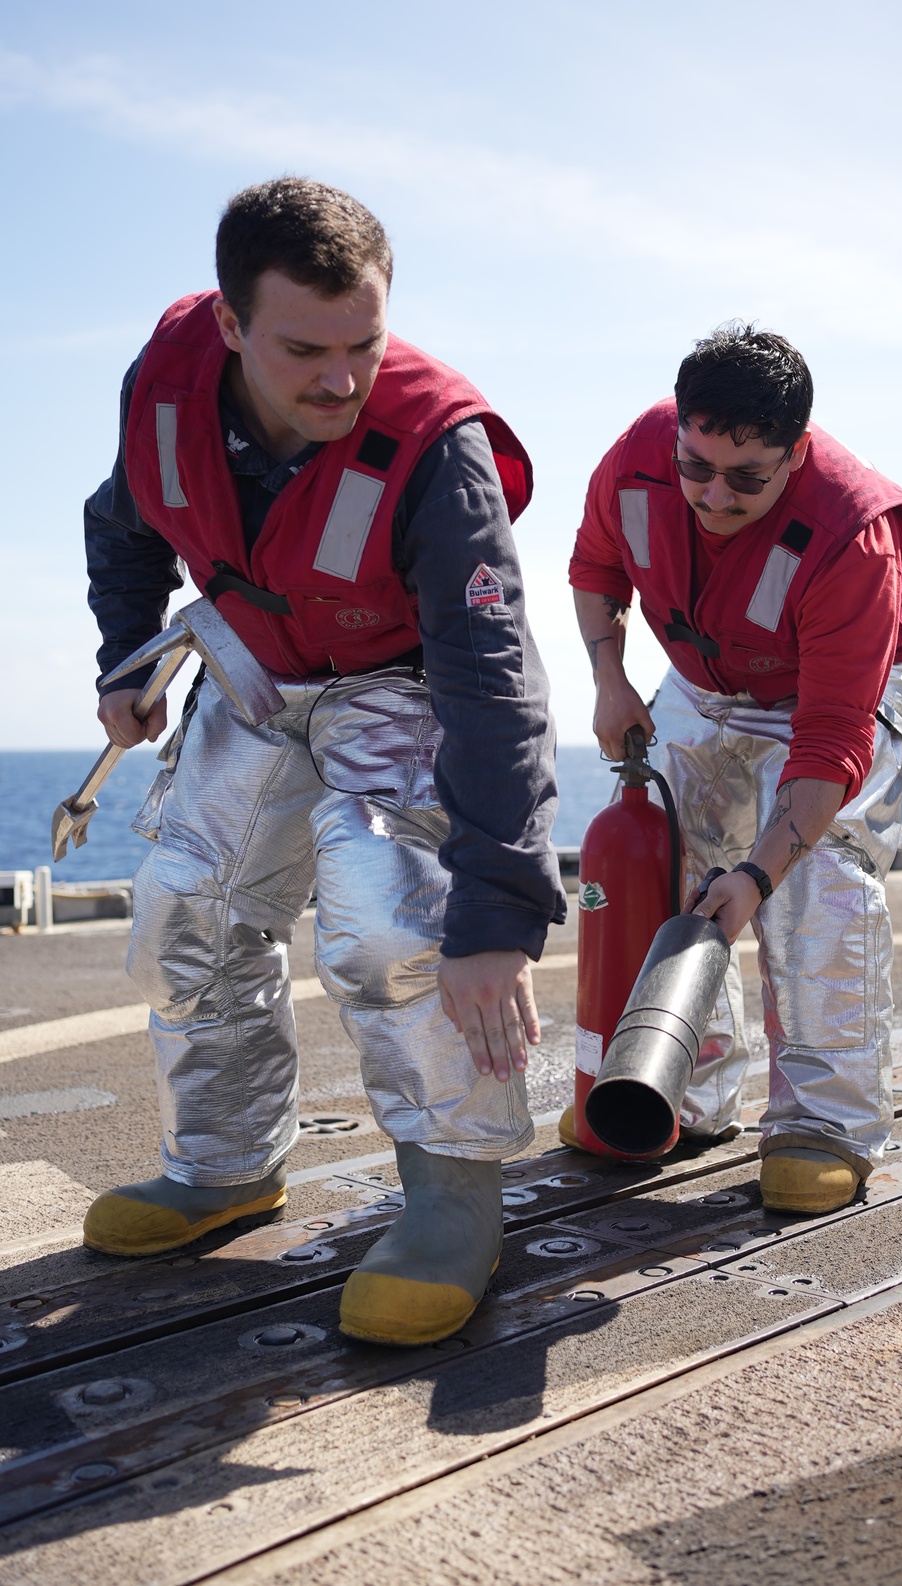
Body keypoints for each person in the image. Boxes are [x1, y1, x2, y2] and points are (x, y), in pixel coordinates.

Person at [82, 177, 565, 1345]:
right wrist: (121, 655)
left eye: (366, 342)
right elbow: (125, 518)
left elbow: (493, 680)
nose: (341, 379)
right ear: (232, 326)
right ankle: (225, 1167)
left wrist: (500, 913)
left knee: (398, 921)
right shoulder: (164, 383)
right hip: (254, 662)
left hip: (402, 679)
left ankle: (455, 1202)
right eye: (305, 348)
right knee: (185, 910)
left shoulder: (436, 447)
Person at [566, 323, 902, 1215]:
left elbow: (830, 752)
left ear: (797, 453)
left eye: (746, 478)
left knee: (819, 882)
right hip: (702, 677)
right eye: (696, 467)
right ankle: (679, 1089)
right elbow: (595, 568)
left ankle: (823, 1122)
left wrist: (761, 872)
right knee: (670, 863)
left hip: (826, 696)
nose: (712, 496)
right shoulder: (637, 458)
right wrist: (610, 681)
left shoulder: (852, 534)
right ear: (680, 434)